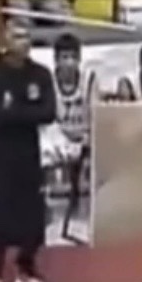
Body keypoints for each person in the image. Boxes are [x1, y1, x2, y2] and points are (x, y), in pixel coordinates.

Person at [0, 22, 57, 282]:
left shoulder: (40, 74)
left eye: (26, 36)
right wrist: (26, 112)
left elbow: (48, 112)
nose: (24, 41)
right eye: (17, 36)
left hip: (28, 152)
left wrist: (15, 110)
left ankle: (27, 267)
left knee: (32, 214)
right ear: (5, 41)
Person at [45, 32, 97, 242]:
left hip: (85, 138)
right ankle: (51, 218)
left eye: (73, 57)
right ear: (56, 60)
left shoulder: (90, 80)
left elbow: (97, 114)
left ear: (79, 59)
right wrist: (61, 142)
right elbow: (46, 118)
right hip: (57, 139)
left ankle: (86, 220)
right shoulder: (47, 81)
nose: (69, 63)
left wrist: (86, 139)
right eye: (64, 57)